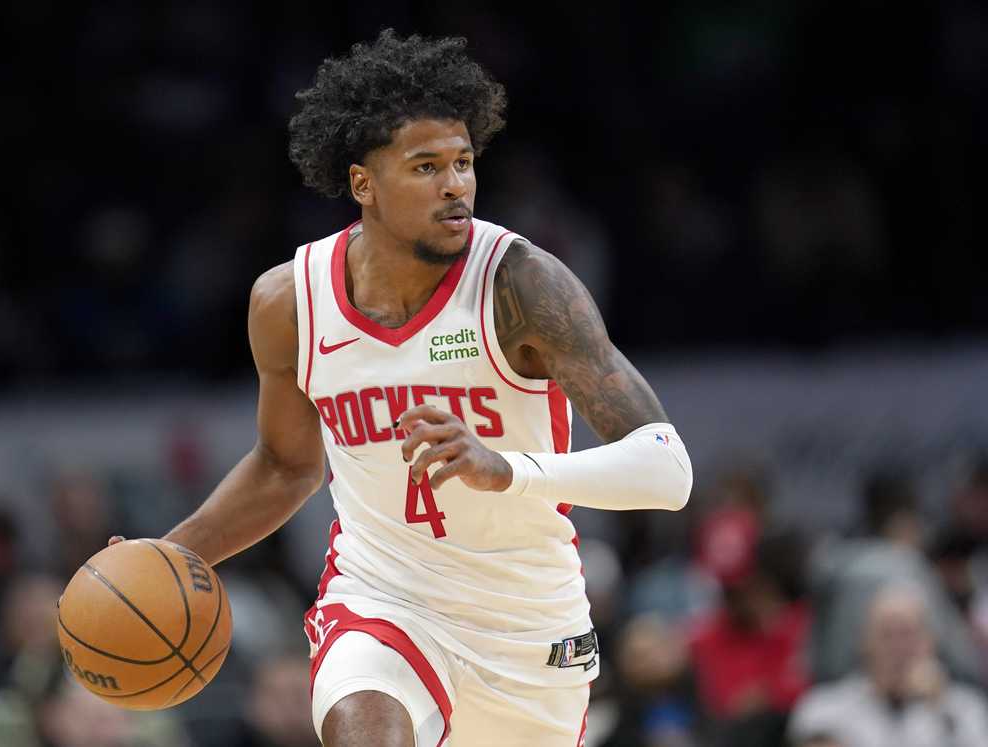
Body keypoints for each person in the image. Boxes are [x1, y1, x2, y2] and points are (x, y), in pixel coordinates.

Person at [111, 28, 692, 747]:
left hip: (527, 627)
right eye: (425, 166)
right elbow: (288, 464)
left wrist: (505, 468)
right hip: (383, 601)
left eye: (463, 163)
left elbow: (667, 468)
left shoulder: (521, 283)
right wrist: (174, 552)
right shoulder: (290, 303)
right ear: (364, 184)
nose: (455, 185)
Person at [788, 584, 988, 747]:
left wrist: (940, 707)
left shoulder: (965, 709)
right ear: (864, 643)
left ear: (930, 642)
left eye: (908, 634)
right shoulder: (823, 709)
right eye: (887, 635)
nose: (899, 647)